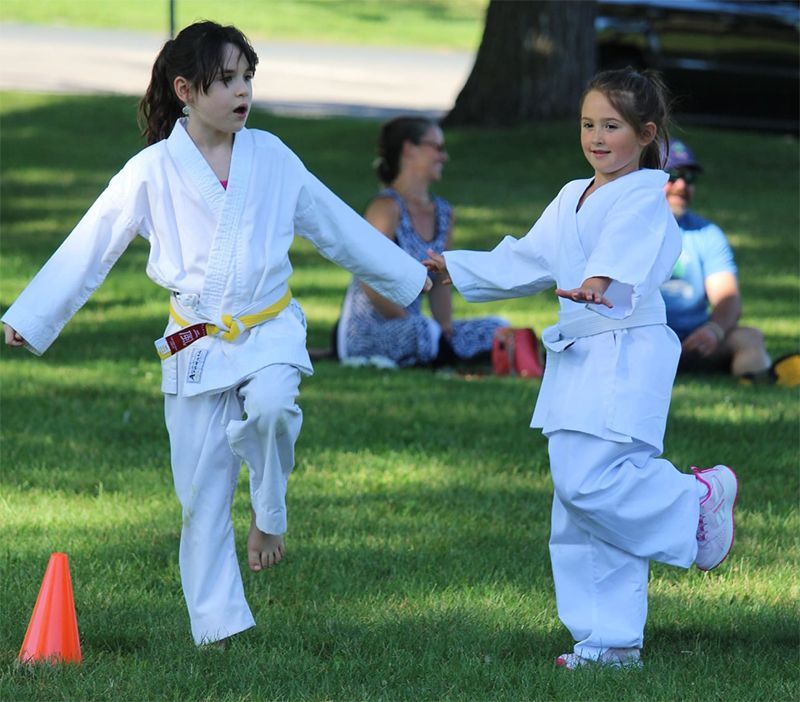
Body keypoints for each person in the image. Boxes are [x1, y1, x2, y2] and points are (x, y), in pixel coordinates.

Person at [2, 21, 430, 647]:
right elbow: (92, 242)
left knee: (275, 407)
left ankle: (269, 515)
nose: (242, 91)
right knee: (200, 493)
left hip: (268, 326)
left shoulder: (274, 157)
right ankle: (219, 628)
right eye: (226, 79)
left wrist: (409, 277)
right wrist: (32, 315)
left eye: (248, 77)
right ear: (185, 90)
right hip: (197, 339)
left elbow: (335, 225)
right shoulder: (151, 170)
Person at [424, 69, 738, 669]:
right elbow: (529, 257)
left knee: (591, 484)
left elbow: (629, 254)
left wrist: (600, 279)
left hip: (626, 353)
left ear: (646, 134)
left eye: (612, 126)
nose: (597, 137)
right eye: (588, 124)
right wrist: (457, 269)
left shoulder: (647, 195)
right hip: (577, 355)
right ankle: (610, 641)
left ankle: (695, 500)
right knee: (575, 510)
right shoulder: (573, 194)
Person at [335, 116, 507, 368]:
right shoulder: (386, 207)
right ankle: (444, 354)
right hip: (370, 332)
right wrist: (413, 322)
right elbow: (369, 280)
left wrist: (445, 328)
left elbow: (440, 283)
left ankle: (444, 351)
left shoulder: (444, 212)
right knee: (423, 330)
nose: (444, 157)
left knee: (496, 328)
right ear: (409, 149)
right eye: (437, 147)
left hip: (419, 327)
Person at [660, 140, 772, 379]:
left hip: (694, 342)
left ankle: (755, 388)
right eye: (672, 175)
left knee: (750, 338)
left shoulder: (707, 233)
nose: (681, 185)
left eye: (689, 179)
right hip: (641, 339)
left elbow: (727, 298)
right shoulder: (627, 229)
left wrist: (713, 331)